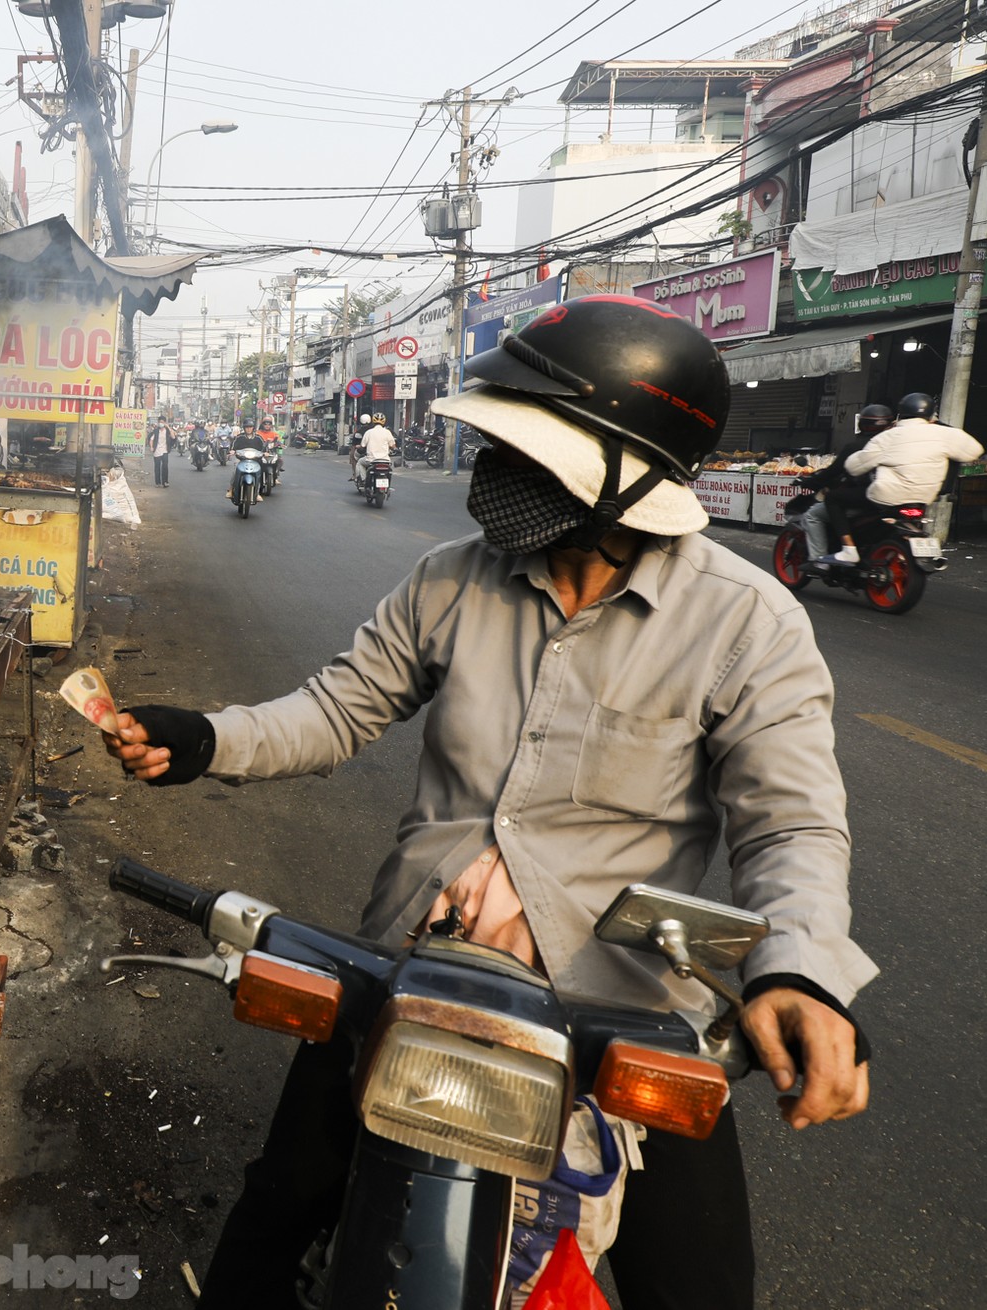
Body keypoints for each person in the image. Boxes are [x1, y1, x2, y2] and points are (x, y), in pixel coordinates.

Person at [102, 296, 873, 1309]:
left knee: (703, 1284)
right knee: (272, 1213)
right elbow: (334, 709)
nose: (491, 472)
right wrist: (205, 736)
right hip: (411, 969)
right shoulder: (447, 581)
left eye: (530, 451)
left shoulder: (746, 622)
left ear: (630, 472)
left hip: (618, 1008)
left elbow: (792, 822)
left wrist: (802, 973)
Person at [823, 391, 983, 563]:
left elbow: (854, 467)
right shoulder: (946, 434)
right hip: (925, 497)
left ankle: (849, 549)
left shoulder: (887, 436)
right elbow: (974, 451)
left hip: (887, 496)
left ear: (900, 414)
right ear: (931, 415)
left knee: (833, 498)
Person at [797, 404, 892, 561]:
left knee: (815, 513)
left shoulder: (857, 446)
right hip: (893, 499)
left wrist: (811, 482)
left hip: (867, 498)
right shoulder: (897, 445)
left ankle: (820, 561)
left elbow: (835, 471)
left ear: (862, 424)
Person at [352, 411, 396, 483]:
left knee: (359, 462)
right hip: (385, 460)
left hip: (371, 460)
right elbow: (393, 446)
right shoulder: (387, 432)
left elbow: (362, 446)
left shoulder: (369, 432)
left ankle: (363, 480)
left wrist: (358, 447)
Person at [149, 414, 174, 486]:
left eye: (162, 422)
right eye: (160, 422)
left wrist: (168, 427)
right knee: (157, 467)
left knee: (165, 466)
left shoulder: (167, 431)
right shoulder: (156, 431)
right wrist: (151, 447)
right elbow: (151, 440)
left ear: (165, 423)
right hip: (157, 451)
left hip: (165, 451)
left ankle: (165, 481)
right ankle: (158, 482)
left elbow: (173, 437)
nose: (161, 423)